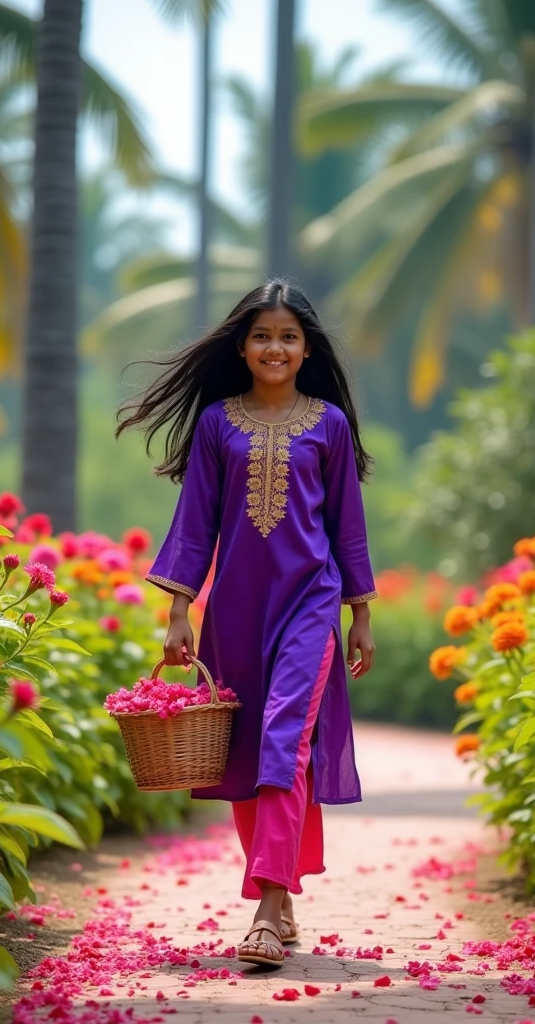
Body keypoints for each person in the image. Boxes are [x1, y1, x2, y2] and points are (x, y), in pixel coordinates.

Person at [117, 278, 377, 967]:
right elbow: (195, 524)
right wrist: (177, 612)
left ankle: (265, 908)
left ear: (305, 348)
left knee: (285, 738)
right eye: (263, 335)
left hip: (310, 603)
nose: (275, 347)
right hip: (233, 607)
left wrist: (359, 614)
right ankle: (283, 894)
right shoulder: (215, 425)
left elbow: (346, 526)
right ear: (241, 346)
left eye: (289, 336)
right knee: (243, 755)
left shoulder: (329, 425)